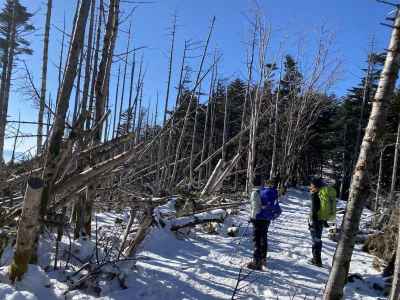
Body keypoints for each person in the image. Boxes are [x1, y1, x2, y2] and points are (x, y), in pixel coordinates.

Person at [247, 176, 280, 271]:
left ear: (252, 183)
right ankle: (263, 259)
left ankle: (256, 262)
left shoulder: (255, 192)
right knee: (264, 238)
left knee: (256, 240)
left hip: (258, 219)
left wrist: (252, 217)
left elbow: (255, 208)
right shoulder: (264, 190)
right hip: (266, 218)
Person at [308, 177, 329, 267]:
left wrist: (312, 222)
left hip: (315, 221)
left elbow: (314, 210)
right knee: (317, 240)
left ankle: (316, 260)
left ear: (316, 186)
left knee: (316, 240)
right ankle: (316, 259)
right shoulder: (323, 195)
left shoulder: (315, 195)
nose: (310, 187)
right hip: (320, 221)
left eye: (312, 185)